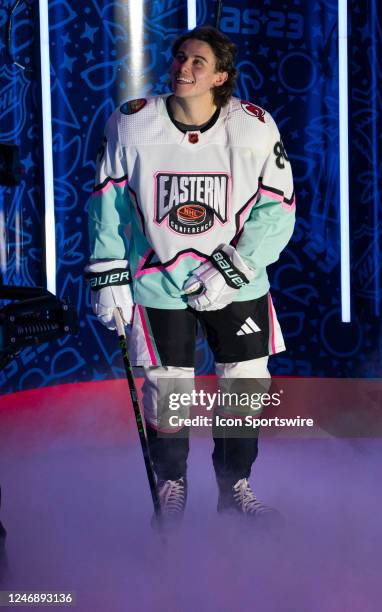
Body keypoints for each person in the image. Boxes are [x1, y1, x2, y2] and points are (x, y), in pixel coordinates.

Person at [86, 25, 295, 526]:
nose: (183, 67)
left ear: (221, 76)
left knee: (245, 385)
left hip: (237, 284)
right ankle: (172, 482)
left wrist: (231, 270)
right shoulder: (134, 123)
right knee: (167, 389)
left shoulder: (254, 127)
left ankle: (234, 486)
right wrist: (107, 272)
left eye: (198, 61)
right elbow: (107, 203)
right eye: (180, 57)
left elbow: (278, 209)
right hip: (159, 278)